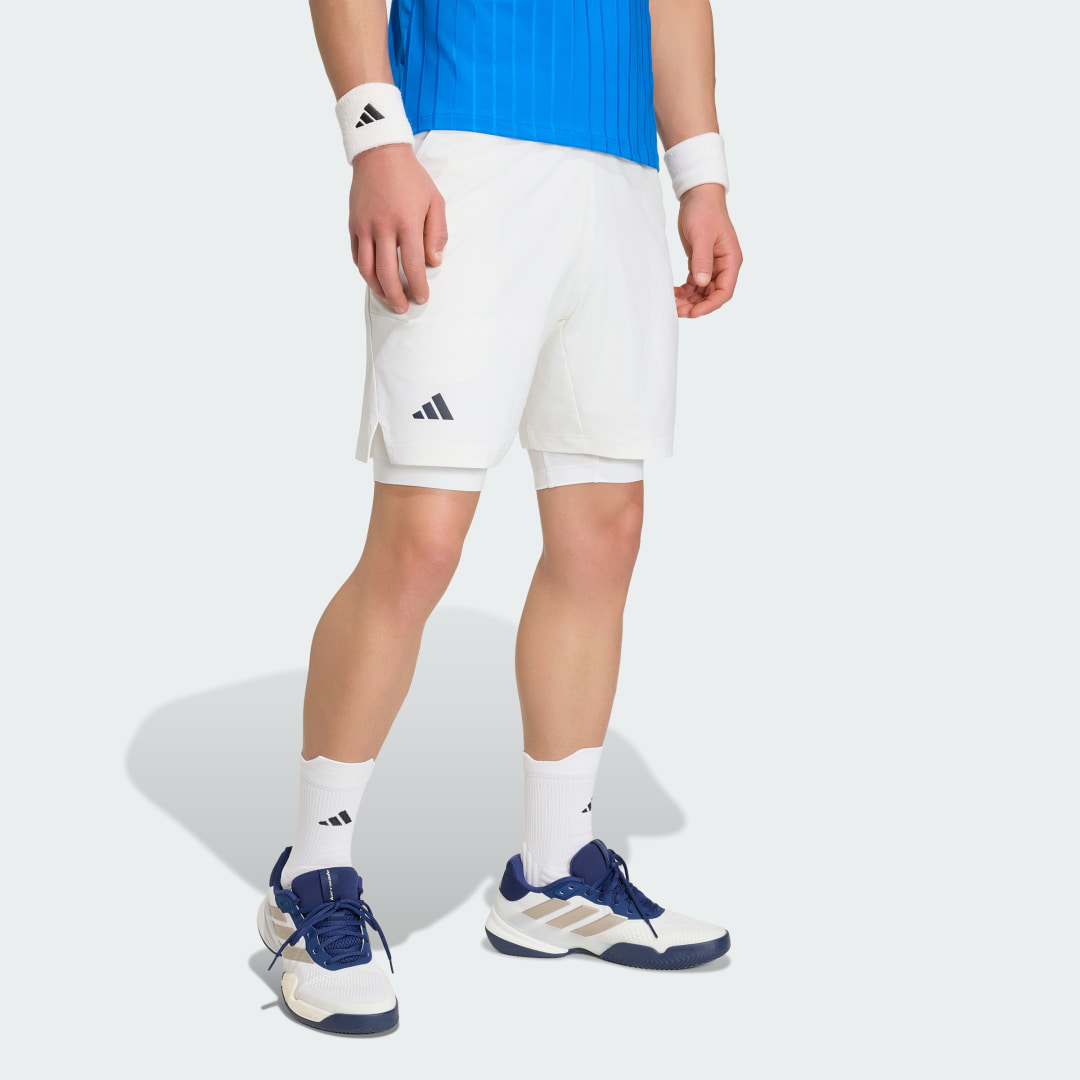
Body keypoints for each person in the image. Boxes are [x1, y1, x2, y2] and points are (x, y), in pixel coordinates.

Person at [256, 0, 743, 1035]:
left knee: (603, 536)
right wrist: (374, 136)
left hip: (619, 174)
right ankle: (312, 875)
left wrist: (701, 174)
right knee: (421, 543)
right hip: (466, 151)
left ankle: (555, 872)